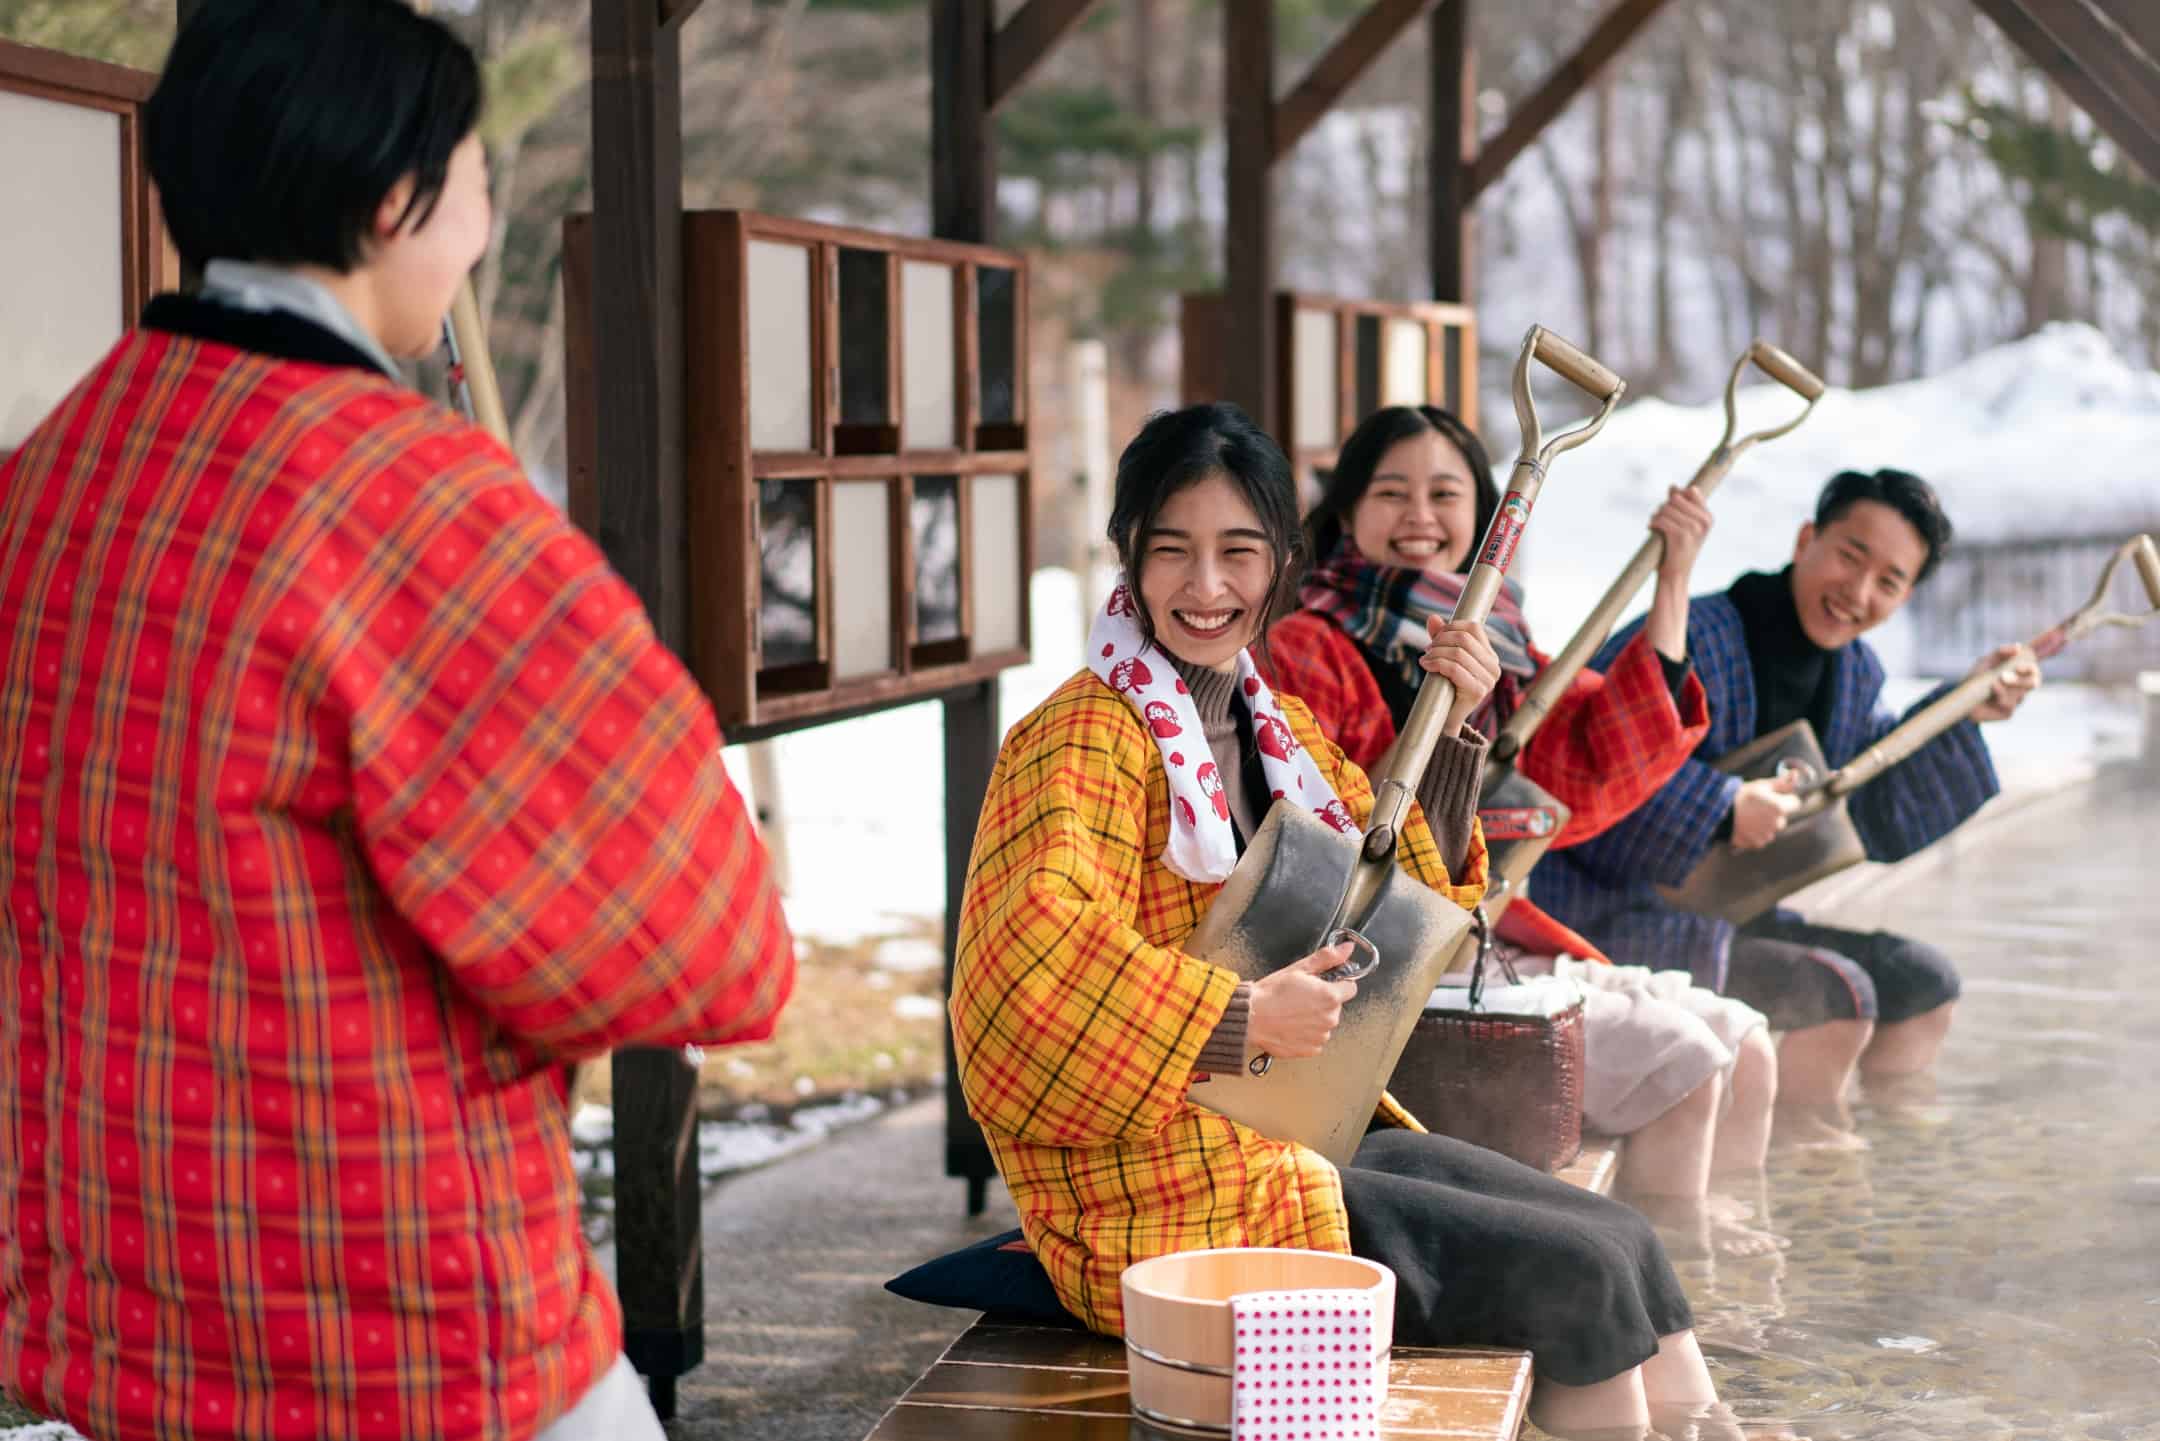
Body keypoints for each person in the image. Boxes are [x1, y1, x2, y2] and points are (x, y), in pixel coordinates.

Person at [0, 4, 795, 1438]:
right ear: (392, 199)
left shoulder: (52, 476)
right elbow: (706, 950)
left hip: (115, 1313)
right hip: (400, 1341)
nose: (484, 217)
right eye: (479, 171)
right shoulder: (426, 513)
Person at [953, 402, 1738, 1437]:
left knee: (1623, 1239)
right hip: (1152, 1182)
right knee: (1579, 1276)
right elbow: (1019, 986)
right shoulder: (1077, 740)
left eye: (1238, 552)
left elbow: (1399, 899)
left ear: (1280, 558)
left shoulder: (1274, 725)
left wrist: (1452, 730)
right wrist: (1235, 1018)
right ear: (1125, 555)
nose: (1206, 587)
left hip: (1294, 1125)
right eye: (1172, 552)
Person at [1266, 404, 1779, 1247]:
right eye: (1391, 492)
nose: (1420, 517)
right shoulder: (1309, 644)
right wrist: (1447, 719)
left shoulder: (1495, 637)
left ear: (1481, 516)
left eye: (1445, 492)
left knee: (1749, 1046)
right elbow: (1345, 837)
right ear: (1348, 510)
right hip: (1388, 972)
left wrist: (1674, 575)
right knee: (1686, 1065)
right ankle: (1661, 1289)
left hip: (1495, 940)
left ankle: (1723, 1284)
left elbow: (1597, 758)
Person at [1537, 468, 2039, 1146]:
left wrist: (1961, 710)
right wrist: (1718, 804)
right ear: (1807, 538)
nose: (1857, 592)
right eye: (1849, 555)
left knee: (1925, 983)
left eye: (1888, 582)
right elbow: (1575, 757)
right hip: (1603, 912)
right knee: (1836, 994)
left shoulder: (1856, 673)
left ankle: (1897, 1151)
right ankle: (1801, 1166)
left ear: (1906, 595)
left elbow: (1868, 806)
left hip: (1734, 912)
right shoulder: (1695, 631)